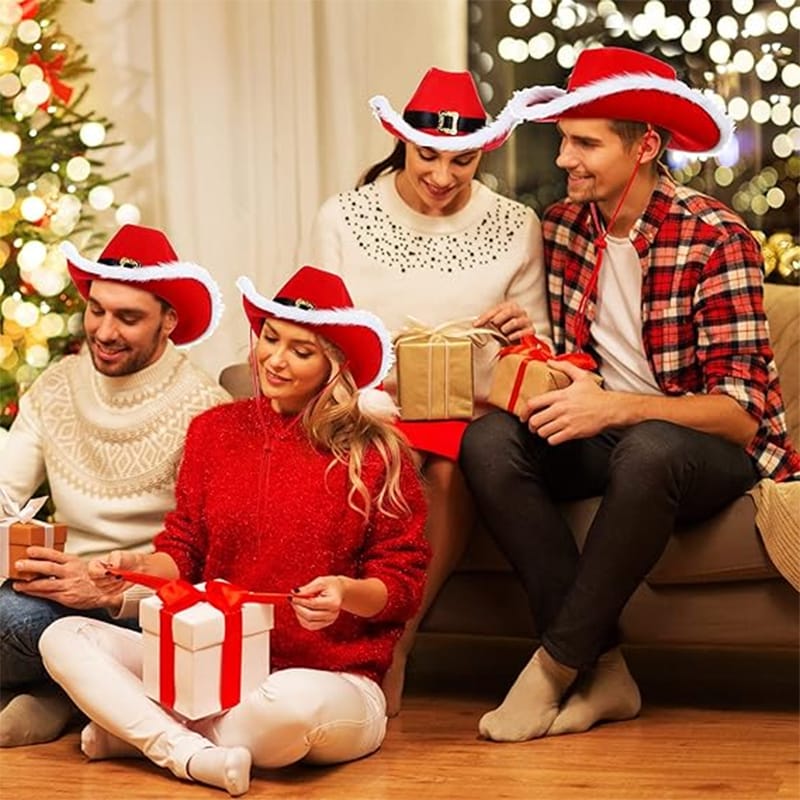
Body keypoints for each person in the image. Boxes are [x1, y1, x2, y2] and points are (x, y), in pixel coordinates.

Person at [459, 46, 800, 743]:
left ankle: (552, 668)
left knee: (645, 450)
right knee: (489, 440)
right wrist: (534, 341)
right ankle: (607, 669)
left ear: (644, 146)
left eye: (586, 143)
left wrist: (614, 406)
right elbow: (583, 358)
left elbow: (740, 415)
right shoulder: (562, 227)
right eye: (563, 141)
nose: (564, 160)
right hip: (612, 433)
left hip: (709, 451)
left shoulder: (714, 237)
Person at [38, 266, 430, 796]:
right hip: (210, 669)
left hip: (331, 679)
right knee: (64, 635)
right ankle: (186, 753)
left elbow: (403, 584)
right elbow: (183, 550)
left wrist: (345, 595)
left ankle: (135, 734)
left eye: (301, 350)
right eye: (270, 338)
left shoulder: (374, 452)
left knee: (287, 709)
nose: (275, 359)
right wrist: (133, 570)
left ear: (333, 363)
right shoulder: (214, 432)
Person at [305, 67, 555, 715]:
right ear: (402, 141)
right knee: (383, 458)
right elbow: (313, 328)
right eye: (429, 155)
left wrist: (519, 330)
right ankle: (316, 645)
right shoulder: (343, 217)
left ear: (484, 154)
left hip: (463, 409)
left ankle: (394, 648)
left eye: (463, 161)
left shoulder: (514, 223)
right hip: (365, 402)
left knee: (447, 471)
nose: (443, 175)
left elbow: (539, 348)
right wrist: (356, 395)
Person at [0, 224, 230, 747]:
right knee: (11, 613)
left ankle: (65, 694)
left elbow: (209, 558)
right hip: (51, 597)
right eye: (97, 309)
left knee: (25, 623)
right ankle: (74, 694)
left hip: (141, 606)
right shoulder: (57, 386)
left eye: (128, 318)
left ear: (168, 321)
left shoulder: (206, 409)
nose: (104, 331)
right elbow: (4, 497)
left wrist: (111, 590)